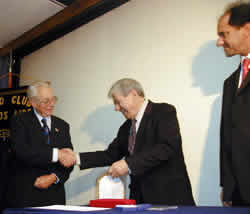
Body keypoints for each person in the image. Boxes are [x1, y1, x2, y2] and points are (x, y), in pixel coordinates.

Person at [63, 78, 195, 205]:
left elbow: (167, 147)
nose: (116, 108)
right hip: (139, 201)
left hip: (170, 199)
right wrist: (75, 158)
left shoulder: (163, 111)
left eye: (118, 102)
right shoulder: (126, 127)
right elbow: (110, 155)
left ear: (133, 94)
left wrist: (129, 164)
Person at [6, 81, 75, 208]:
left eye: (53, 99)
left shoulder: (63, 125)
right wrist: (57, 154)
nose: (52, 104)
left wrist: (54, 177)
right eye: (46, 101)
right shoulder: (19, 122)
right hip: (26, 195)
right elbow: (22, 152)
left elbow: (68, 160)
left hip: (55, 196)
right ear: (33, 102)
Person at [217, 1, 250, 206]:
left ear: (247, 29)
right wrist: (227, 186)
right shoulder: (230, 83)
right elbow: (227, 136)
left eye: (224, 33)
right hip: (239, 193)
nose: (220, 42)